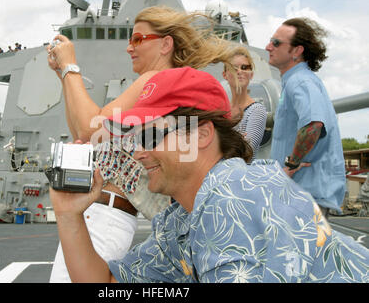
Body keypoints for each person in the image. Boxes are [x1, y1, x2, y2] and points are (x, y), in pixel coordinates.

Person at [50, 66, 369, 283]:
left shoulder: (232, 196)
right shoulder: (182, 221)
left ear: (201, 135)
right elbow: (106, 280)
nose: (137, 152)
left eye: (149, 137)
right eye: (135, 139)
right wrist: (68, 216)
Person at [46, 6, 235, 282]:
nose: (129, 48)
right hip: (103, 214)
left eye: (137, 39)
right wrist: (63, 75)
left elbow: (89, 129)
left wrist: (70, 67)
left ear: (165, 44)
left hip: (104, 215)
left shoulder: (156, 80)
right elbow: (85, 131)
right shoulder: (153, 90)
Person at [266, 17, 346, 217]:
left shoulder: (300, 81)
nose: (268, 47)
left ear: (296, 51)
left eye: (276, 43)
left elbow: (313, 125)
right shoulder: (294, 82)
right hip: (299, 196)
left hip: (306, 199)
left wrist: (291, 164)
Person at [222, 46, 267, 162]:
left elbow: (246, 153)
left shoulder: (256, 111)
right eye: (233, 68)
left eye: (244, 67)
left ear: (251, 75)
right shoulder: (222, 111)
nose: (239, 71)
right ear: (225, 75)